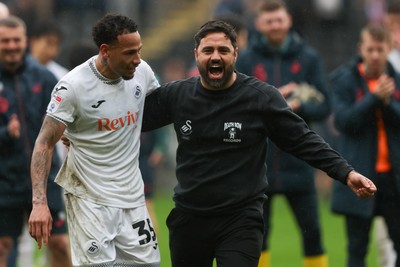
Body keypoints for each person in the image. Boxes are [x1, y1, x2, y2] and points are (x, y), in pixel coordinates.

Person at [141, 19, 376, 267]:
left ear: (236, 53)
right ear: (196, 54)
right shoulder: (177, 95)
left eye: (223, 50)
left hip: (240, 220)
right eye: (208, 50)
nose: (215, 57)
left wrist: (345, 172)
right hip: (190, 218)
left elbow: (302, 139)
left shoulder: (260, 98)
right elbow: (129, 119)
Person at [28, 13, 160, 267]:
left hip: (132, 197)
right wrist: (39, 203)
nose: (137, 59)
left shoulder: (142, 71)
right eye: (129, 53)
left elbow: (157, 110)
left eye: (139, 51)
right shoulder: (73, 86)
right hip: (89, 200)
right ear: (105, 50)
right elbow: (43, 143)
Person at [235, 1, 329, 266]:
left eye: (279, 19)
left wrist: (299, 104)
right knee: (258, 237)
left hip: (298, 162)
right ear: (259, 24)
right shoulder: (247, 59)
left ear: (288, 20)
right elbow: (236, 104)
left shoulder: (308, 58)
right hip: (258, 164)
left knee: (313, 234)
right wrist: (273, 100)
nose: (275, 25)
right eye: (269, 21)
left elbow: (325, 105)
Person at [0, 15, 72, 267]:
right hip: (4, 181)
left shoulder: (45, 78)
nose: (11, 46)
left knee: (61, 245)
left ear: (25, 42)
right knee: (3, 247)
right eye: (4, 41)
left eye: (15, 40)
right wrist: (5, 133)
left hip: (45, 179)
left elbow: (64, 120)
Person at [329, 23, 400, 267]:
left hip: (394, 177)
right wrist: (374, 99)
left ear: (389, 49)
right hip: (359, 176)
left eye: (380, 49)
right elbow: (345, 121)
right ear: (361, 48)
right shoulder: (344, 79)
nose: (375, 55)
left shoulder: (397, 80)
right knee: (357, 249)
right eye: (370, 49)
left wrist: (387, 103)